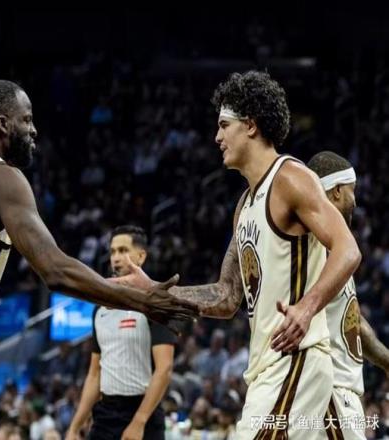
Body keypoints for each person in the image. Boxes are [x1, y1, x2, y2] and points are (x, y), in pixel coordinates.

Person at [0, 80, 197, 439]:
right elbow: (55, 270)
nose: (34, 130)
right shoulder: (1, 178)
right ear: (3, 124)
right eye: (26, 119)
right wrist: (142, 301)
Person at [119, 71, 361, 438]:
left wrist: (307, 307)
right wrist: (155, 291)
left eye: (224, 125)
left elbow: (347, 249)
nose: (217, 137)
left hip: (296, 358)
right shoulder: (245, 206)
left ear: (250, 125)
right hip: (266, 368)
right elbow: (227, 296)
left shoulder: (290, 178)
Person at [66, 225, 176, 440]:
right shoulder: (99, 309)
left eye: (123, 250)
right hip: (106, 413)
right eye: (113, 251)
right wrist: (75, 426)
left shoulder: (156, 305)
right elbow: (94, 374)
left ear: (141, 256)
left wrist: (139, 421)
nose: (116, 257)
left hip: (144, 413)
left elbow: (164, 369)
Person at [308, 150, 389, 439]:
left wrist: (386, 360)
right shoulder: (314, 246)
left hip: (335, 392)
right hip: (329, 391)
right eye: (352, 191)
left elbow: (350, 319)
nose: (355, 201)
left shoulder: (332, 247)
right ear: (338, 191)